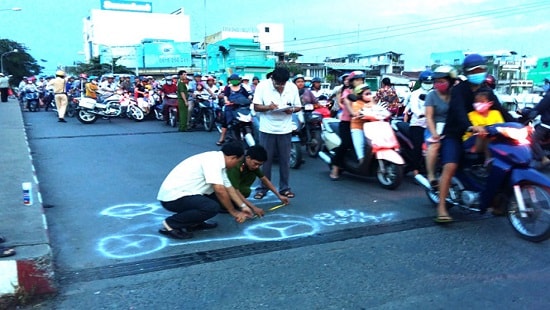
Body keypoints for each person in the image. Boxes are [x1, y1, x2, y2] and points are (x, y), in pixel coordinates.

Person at [434, 53, 512, 223]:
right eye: (475, 70)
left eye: (481, 69)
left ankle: (496, 198)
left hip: (482, 134)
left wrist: (520, 124)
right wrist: (470, 126)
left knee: (505, 158)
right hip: (456, 134)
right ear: (467, 72)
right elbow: (459, 113)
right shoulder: (458, 90)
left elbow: (502, 111)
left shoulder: (486, 89)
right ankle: (441, 207)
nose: (479, 72)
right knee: (450, 165)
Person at [156, 142, 254, 239]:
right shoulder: (213, 161)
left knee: (220, 199)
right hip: (172, 198)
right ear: (233, 157)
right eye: (237, 161)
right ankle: (171, 224)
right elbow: (219, 190)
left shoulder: (219, 162)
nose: (236, 164)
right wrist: (233, 212)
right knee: (211, 206)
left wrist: (243, 206)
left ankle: (194, 223)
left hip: (185, 194)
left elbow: (229, 188)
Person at [252, 66, 301, 199]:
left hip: (285, 129)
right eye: (278, 84)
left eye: (283, 84)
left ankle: (284, 188)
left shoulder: (292, 87)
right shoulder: (262, 86)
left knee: (285, 161)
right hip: (267, 128)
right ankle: (262, 188)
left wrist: (291, 110)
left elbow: (298, 106)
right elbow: (256, 106)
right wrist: (269, 107)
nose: (280, 87)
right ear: (272, 78)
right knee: (264, 161)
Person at [226, 145, 289, 215]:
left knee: (245, 191)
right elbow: (235, 190)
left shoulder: (252, 165)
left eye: (260, 165)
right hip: (225, 188)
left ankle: (235, 202)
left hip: (236, 187)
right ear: (248, 158)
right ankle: (225, 204)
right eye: (256, 164)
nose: (257, 167)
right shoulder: (236, 166)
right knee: (242, 191)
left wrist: (279, 195)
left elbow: (264, 179)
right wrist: (253, 208)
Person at [424, 66, 456, 189]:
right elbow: (429, 117)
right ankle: (431, 175)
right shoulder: (431, 95)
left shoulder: (454, 94)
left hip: (451, 129)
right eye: (436, 81)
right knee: (434, 146)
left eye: (442, 81)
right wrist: (434, 134)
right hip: (434, 128)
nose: (439, 84)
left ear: (450, 81)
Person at [330, 71, 365, 180]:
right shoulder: (347, 91)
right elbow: (347, 102)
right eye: (357, 80)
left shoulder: (364, 91)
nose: (360, 82)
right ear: (352, 82)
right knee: (346, 144)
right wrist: (352, 113)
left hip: (362, 121)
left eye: (361, 79)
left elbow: (371, 101)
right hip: (347, 122)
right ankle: (335, 167)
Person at [402, 70, 433, 177]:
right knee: (418, 147)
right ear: (421, 82)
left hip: (431, 125)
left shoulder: (434, 93)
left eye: (430, 82)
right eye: (426, 82)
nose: (428, 85)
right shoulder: (415, 94)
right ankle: (416, 171)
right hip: (418, 124)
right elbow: (415, 108)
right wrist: (424, 114)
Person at [463, 91, 504, 162]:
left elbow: (500, 126)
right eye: (476, 102)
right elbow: (475, 129)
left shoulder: (496, 113)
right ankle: (488, 159)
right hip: (472, 140)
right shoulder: (471, 115)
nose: (478, 104)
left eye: (482, 102)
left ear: (490, 103)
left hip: (492, 139)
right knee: (486, 132)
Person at [519, 76, 550, 168]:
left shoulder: (548, 97)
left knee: (532, 139)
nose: (545, 85)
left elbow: (538, 109)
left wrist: (524, 112)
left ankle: (544, 158)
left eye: (546, 83)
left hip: (547, 125)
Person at [217, 73, 251, 145]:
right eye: (233, 80)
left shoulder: (242, 88)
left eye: (236, 80)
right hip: (230, 107)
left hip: (241, 107)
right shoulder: (228, 88)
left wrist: (251, 99)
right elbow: (225, 96)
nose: (235, 81)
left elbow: (248, 96)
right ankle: (222, 138)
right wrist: (227, 101)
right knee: (226, 122)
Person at [350, 84, 375, 164]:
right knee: (360, 145)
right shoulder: (356, 103)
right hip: (358, 127)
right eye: (366, 94)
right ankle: (361, 161)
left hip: (370, 127)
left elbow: (378, 109)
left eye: (369, 93)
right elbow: (357, 113)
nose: (369, 95)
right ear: (360, 95)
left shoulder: (371, 102)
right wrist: (362, 110)